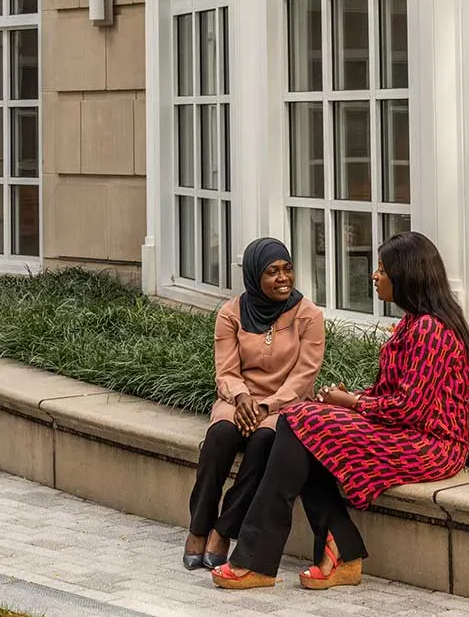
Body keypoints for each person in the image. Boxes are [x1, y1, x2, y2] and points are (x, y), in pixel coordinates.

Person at [212, 231, 469, 590]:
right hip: (409, 430)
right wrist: (349, 398)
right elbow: (394, 394)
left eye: (382, 269)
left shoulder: (430, 330)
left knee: (300, 421)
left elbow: (409, 409)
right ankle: (337, 551)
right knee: (303, 424)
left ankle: (260, 557)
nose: (374, 276)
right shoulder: (414, 322)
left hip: (433, 445)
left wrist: (353, 404)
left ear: (407, 274)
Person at [183, 237, 325, 570]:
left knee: (264, 442)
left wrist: (267, 406)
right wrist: (242, 397)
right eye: (272, 271)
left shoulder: (309, 316)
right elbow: (226, 370)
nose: (283, 278)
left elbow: (304, 377)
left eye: (287, 269)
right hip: (238, 399)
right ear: (253, 276)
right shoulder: (231, 313)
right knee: (218, 439)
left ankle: (223, 530)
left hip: (283, 406)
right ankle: (198, 527)